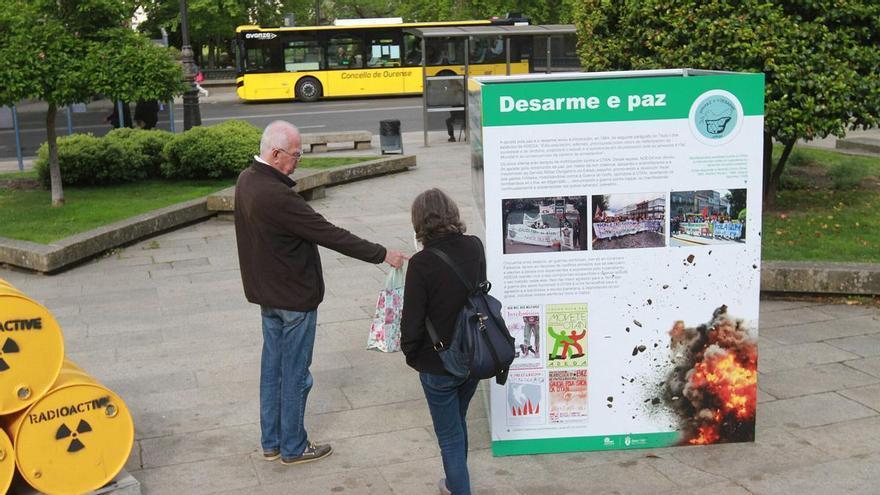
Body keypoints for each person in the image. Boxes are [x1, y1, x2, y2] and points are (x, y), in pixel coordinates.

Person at [234, 120, 407, 466]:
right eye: (295, 155)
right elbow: (327, 233)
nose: (298, 161)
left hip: (268, 296)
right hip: (293, 300)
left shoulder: (247, 180)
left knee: (273, 370)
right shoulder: (277, 195)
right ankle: (294, 446)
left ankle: (272, 442)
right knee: (296, 374)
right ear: (275, 153)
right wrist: (381, 253)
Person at [401, 188, 484, 495]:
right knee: (456, 423)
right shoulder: (475, 247)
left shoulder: (422, 263)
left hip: (437, 364)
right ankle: (452, 483)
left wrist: (412, 355)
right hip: (473, 355)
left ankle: (458, 488)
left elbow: (411, 321)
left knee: (449, 436)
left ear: (419, 222)